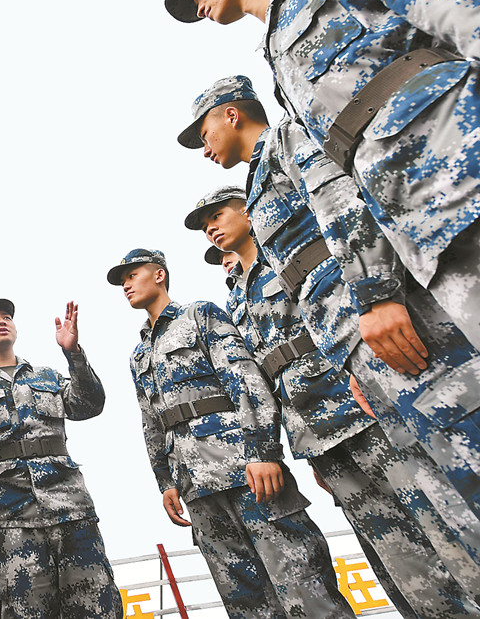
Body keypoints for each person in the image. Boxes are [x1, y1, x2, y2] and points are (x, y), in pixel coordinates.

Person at [178, 74, 480, 584]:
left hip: (376, 354)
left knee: (446, 517)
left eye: (203, 132)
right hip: (337, 394)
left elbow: (344, 208)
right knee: (404, 556)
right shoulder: (259, 195)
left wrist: (377, 294)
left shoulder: (290, 140)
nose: (204, 146)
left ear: (231, 114)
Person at [163, 0, 480, 351]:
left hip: (465, 168)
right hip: (425, 238)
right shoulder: (280, 68)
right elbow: (341, 183)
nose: (199, 6)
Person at [109, 248, 354, 619]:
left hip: (245, 470)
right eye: (122, 281)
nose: (126, 285)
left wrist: (263, 452)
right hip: (196, 488)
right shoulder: (139, 355)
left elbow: (245, 379)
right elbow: (152, 422)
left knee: (304, 587)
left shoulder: (199, 315)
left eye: (132, 275)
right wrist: (166, 483)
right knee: (246, 603)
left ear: (159, 274)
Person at [0, 299, 121, 619]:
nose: (1, 321)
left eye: (6, 316)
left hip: (69, 506)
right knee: (27, 609)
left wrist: (74, 353)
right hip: (12, 513)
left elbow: (89, 405)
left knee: (94, 601)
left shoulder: (47, 377)